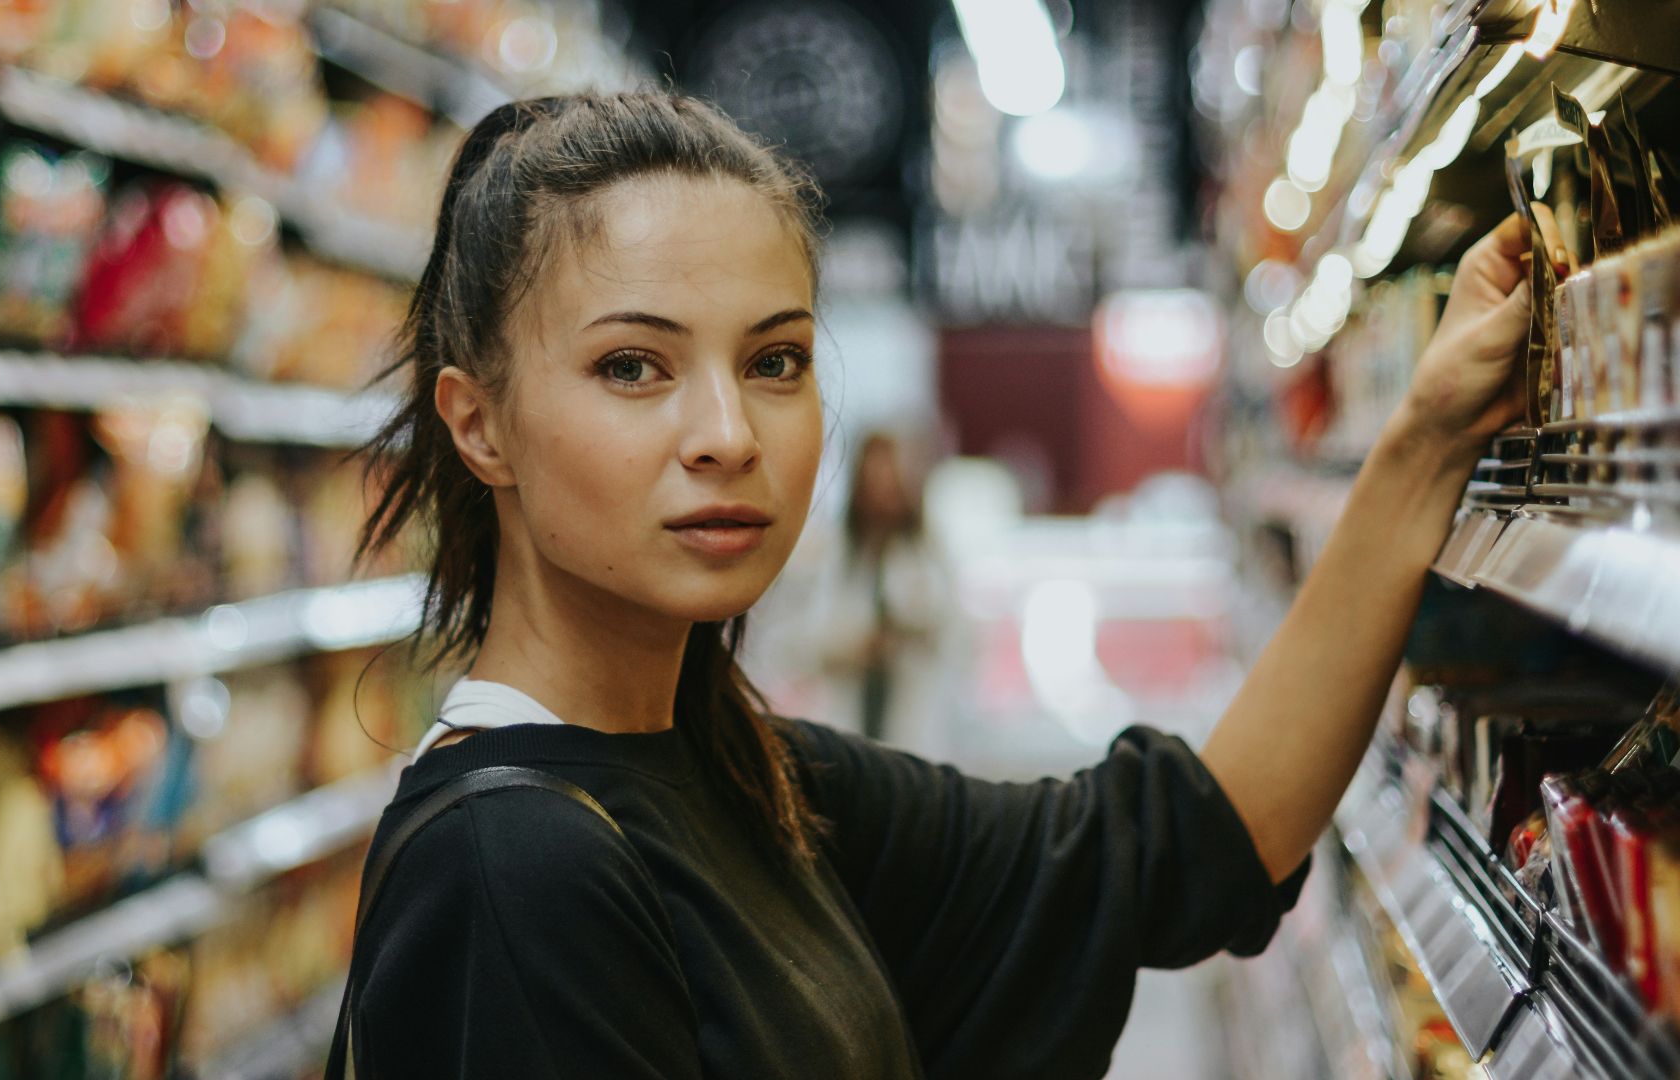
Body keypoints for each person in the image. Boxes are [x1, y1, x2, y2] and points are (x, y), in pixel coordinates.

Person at [344, 91, 1559, 1079]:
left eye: (775, 360)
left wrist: (1431, 438)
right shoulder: (511, 873)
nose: (726, 432)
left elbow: (1180, 849)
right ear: (480, 423)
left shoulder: (749, 776)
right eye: (631, 365)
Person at [801, 430, 961, 755]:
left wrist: (909, 630)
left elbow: (956, 634)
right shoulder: (838, 553)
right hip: (850, 716)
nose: (883, 492)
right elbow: (802, 641)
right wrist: (853, 645)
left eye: (891, 479)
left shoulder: (927, 551)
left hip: (914, 717)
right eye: (874, 479)